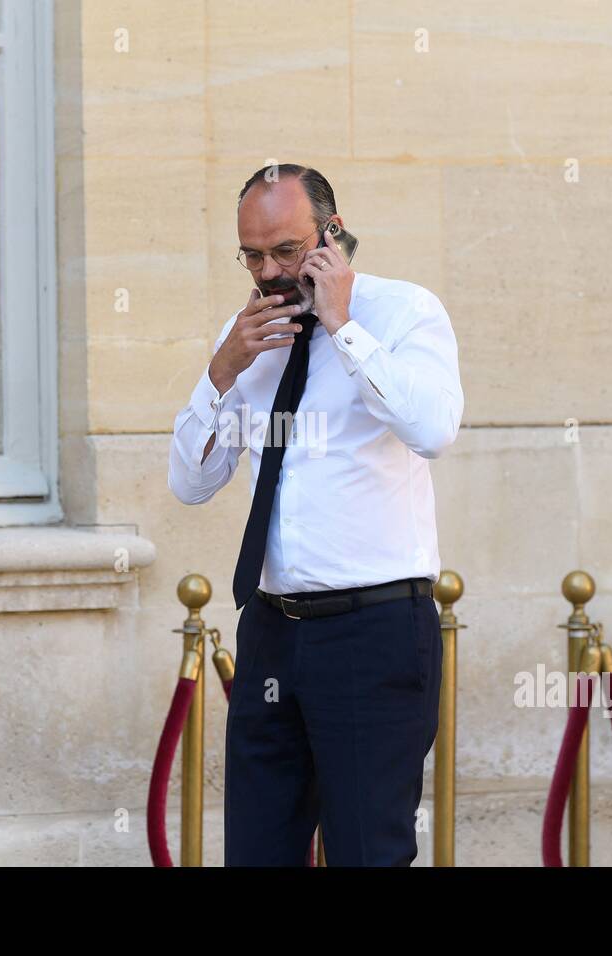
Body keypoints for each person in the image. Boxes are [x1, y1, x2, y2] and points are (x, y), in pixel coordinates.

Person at [167, 163, 464, 866]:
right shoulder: (249, 339)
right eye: (252, 254)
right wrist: (221, 372)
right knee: (258, 852)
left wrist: (345, 327)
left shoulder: (405, 313)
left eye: (287, 251)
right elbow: (191, 481)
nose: (269, 271)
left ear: (332, 234)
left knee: (367, 851)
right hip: (271, 628)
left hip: (376, 630)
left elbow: (433, 429)